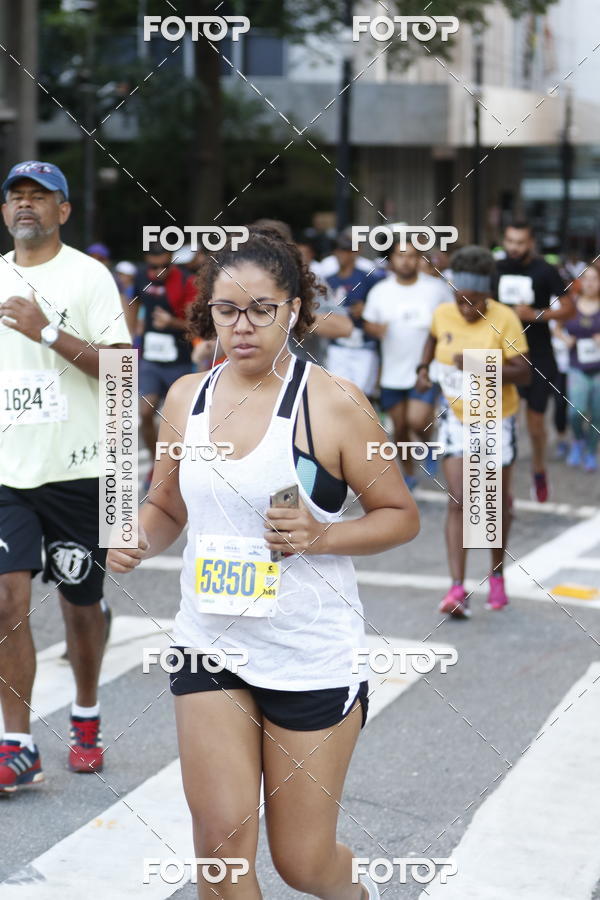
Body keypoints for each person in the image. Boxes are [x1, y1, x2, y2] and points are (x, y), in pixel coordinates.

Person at [107, 227, 419, 899]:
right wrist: (134, 537)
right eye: (227, 311)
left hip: (308, 652)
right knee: (219, 856)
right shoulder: (188, 397)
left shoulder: (331, 401)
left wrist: (320, 536)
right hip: (208, 643)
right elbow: (166, 506)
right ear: (207, 311)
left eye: (261, 310)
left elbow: (400, 515)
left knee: (304, 865)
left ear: (294, 310)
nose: (242, 327)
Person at [0, 160, 131, 791]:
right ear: (4, 213)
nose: (26, 205)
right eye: (15, 197)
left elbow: (122, 373)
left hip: (81, 471)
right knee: (7, 600)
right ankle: (17, 743)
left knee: (81, 607)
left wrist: (47, 331)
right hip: (8, 474)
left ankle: (85, 713)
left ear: (63, 211)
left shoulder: (89, 276)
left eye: (39, 197)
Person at [417, 246, 530, 618]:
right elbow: (433, 340)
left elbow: (524, 372)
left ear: (488, 294)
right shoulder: (443, 313)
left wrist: (479, 365)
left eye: (475, 302)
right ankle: (457, 588)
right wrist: (422, 369)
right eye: (460, 300)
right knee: (460, 501)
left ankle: (496, 576)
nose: (466, 309)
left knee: (492, 505)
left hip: (497, 420)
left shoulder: (506, 318)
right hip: (456, 419)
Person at [494, 221, 575, 501]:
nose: (514, 247)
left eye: (520, 242)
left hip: (539, 354)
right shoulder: (496, 268)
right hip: (505, 354)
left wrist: (537, 315)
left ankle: (539, 468)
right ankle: (504, 479)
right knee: (503, 421)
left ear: (531, 243)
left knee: (536, 424)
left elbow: (568, 308)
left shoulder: (545, 270)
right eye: (510, 241)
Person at [362, 239, 449, 489]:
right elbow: (369, 322)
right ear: (391, 260)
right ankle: (409, 473)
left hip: (425, 369)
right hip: (392, 371)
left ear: (419, 259)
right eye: (400, 255)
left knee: (417, 420)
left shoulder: (436, 289)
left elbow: (450, 320)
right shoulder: (380, 291)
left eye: (412, 255)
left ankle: (428, 442)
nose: (406, 260)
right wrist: (375, 328)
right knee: (399, 428)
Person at [128, 243, 197, 488]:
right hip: (150, 359)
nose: (158, 272)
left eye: (164, 266)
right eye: (153, 267)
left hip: (179, 361)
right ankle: (158, 465)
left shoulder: (187, 282)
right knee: (145, 412)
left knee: (179, 420)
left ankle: (180, 468)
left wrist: (171, 322)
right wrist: (130, 333)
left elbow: (195, 325)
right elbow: (133, 301)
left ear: (172, 263)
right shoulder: (140, 276)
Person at [325, 232, 386, 398]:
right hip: (338, 345)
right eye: (339, 250)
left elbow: (381, 307)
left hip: (363, 344)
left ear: (356, 251)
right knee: (337, 394)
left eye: (347, 250)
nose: (342, 254)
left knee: (362, 396)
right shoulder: (329, 280)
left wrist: (365, 309)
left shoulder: (368, 278)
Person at [555, 263, 600, 472]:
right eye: (586, 278)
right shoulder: (571, 304)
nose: (590, 283)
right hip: (576, 367)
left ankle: (591, 451)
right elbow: (556, 328)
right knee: (576, 412)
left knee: (598, 415)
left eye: (594, 279)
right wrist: (565, 339)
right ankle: (578, 441)